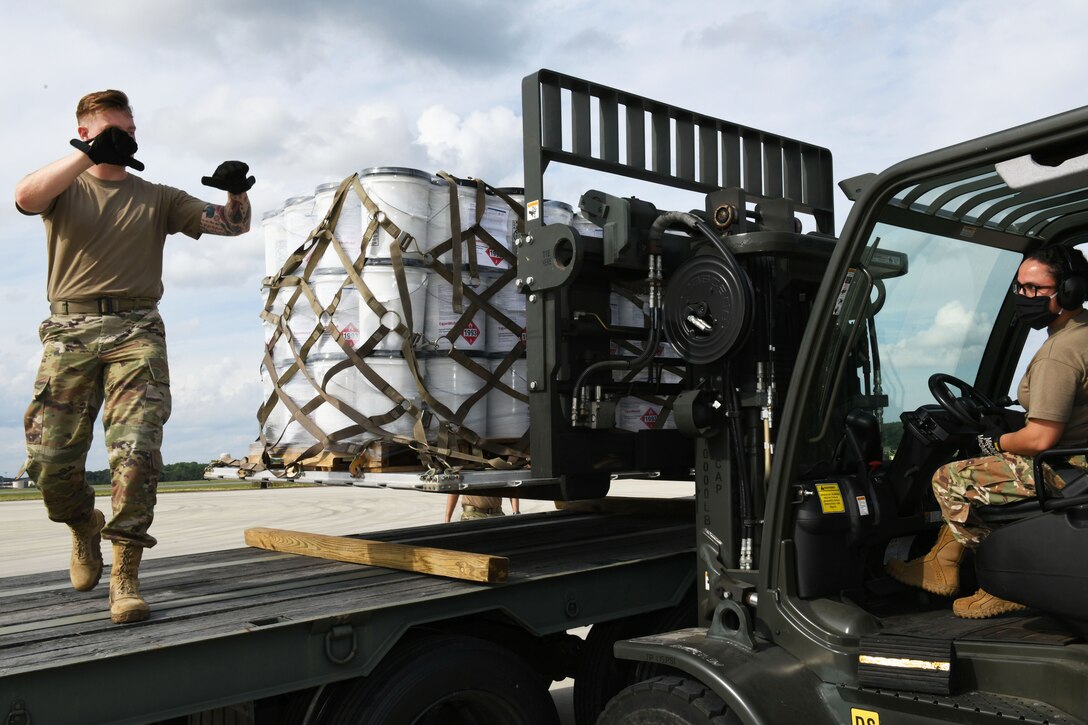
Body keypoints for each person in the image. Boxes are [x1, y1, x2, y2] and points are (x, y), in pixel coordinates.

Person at [14, 90, 254, 624]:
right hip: (69, 329)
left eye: (129, 130)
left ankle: (125, 575)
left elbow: (233, 225)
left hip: (137, 328)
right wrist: (88, 153)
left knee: (137, 452)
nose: (126, 139)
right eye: (111, 132)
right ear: (84, 134)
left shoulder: (157, 197)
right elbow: (26, 197)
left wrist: (236, 193)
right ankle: (83, 524)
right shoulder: (64, 187)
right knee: (50, 462)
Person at [887, 245, 1088, 619]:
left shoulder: (1059, 354)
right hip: (1078, 457)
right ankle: (941, 560)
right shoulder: (1082, 332)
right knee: (981, 473)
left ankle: (1002, 581)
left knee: (949, 479)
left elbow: (1040, 439)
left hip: (1066, 466)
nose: (1024, 297)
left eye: (1035, 289)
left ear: (1069, 292)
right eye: (1020, 288)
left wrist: (992, 441)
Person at [444, 493, 520, 522]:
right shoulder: (469, 463)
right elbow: (454, 491)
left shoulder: (498, 465)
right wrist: (447, 518)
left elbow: (512, 485)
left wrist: (516, 512)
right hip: (473, 515)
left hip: (497, 514)